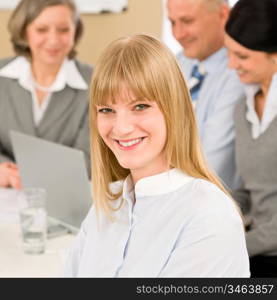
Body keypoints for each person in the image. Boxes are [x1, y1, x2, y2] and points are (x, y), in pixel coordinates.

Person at [63, 34, 249, 277]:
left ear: (175, 109)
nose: (121, 128)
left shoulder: (209, 215)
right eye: (107, 110)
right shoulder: (108, 204)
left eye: (140, 106)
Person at [0, 0, 92, 189]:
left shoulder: (94, 82)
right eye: (42, 29)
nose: (53, 40)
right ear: (24, 30)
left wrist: (33, 175)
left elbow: (90, 158)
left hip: (64, 193)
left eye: (63, 30)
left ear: (76, 31)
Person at [167, 0, 245, 190]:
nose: (178, 34)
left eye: (187, 21)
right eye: (172, 22)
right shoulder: (177, 63)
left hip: (210, 198)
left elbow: (211, 166)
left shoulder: (239, 73)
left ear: (223, 15)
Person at [225, 0, 277, 278]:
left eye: (242, 56)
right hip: (254, 251)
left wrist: (228, 246)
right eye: (229, 53)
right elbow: (249, 190)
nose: (232, 65)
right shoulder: (243, 109)